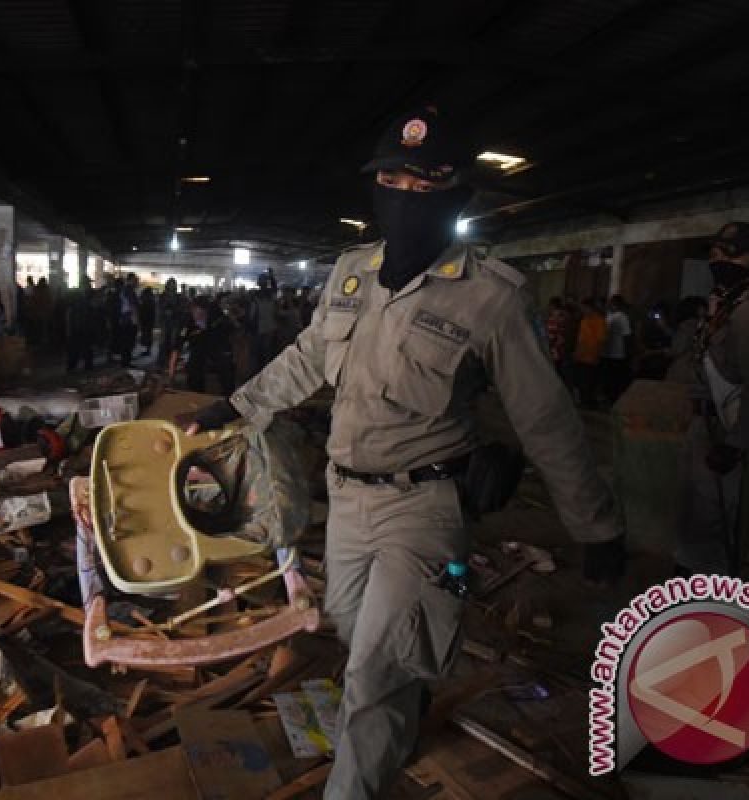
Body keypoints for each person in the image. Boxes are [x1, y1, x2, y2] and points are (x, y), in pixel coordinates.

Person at [186, 105, 623, 799]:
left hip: (427, 508)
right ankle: (406, 705)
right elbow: (306, 357)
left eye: (425, 186)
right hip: (348, 500)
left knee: (374, 674)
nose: (405, 198)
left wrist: (594, 525)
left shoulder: (492, 298)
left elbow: (546, 417)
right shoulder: (352, 273)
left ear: (456, 197)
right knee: (356, 639)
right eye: (392, 181)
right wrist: (239, 404)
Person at [674, 222, 749, 577]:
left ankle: (707, 594)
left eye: (732, 254)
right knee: (692, 509)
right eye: (716, 252)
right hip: (704, 422)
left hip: (726, 429)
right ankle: (688, 579)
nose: (719, 260)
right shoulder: (724, 303)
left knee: (713, 516)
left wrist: (736, 444)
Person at [168, 296, 236, 394]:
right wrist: (171, 375)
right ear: (192, 310)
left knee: (226, 368)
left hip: (216, 346)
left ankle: (229, 396)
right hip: (197, 349)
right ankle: (197, 395)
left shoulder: (216, 316)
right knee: (193, 372)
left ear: (207, 311)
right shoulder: (186, 322)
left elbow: (229, 332)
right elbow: (176, 348)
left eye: (203, 314)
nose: (199, 317)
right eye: (197, 314)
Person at [572, 298, 607, 408]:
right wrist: (577, 353)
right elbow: (580, 340)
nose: (582, 310)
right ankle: (583, 402)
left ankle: (589, 404)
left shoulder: (600, 321)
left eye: (584, 308)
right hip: (581, 356)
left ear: (589, 308)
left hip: (591, 357)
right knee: (580, 382)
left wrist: (598, 355)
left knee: (589, 383)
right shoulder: (584, 321)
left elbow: (601, 341)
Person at [601, 294, 633, 404]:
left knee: (615, 380)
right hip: (608, 353)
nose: (609, 305)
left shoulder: (622, 317)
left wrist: (627, 353)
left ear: (616, 304)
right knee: (608, 379)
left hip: (618, 354)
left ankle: (614, 400)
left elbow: (626, 336)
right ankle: (608, 399)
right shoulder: (609, 316)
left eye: (611, 303)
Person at [544, 296, 571, 383]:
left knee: (554, 372)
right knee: (559, 369)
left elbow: (551, 335)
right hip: (562, 347)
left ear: (552, 305)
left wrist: (548, 345)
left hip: (554, 349)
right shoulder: (565, 316)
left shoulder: (554, 317)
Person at [138, 286, 156, 357]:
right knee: (147, 335)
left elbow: (142, 309)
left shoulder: (147, 300)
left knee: (146, 335)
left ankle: (147, 350)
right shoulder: (151, 300)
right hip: (148, 320)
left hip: (146, 320)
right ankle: (147, 350)